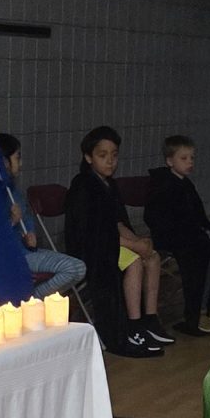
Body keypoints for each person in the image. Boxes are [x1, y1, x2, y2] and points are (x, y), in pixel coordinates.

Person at [66, 127, 165, 358]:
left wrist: (138, 241)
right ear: (88, 157)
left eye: (114, 155)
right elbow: (96, 233)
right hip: (92, 249)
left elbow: (118, 222)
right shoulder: (83, 186)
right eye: (103, 155)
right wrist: (133, 246)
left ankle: (149, 319)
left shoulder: (110, 185)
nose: (110, 161)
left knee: (152, 257)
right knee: (134, 262)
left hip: (111, 243)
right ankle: (132, 324)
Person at [145, 135, 210, 335]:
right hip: (173, 238)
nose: (190, 163)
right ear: (170, 161)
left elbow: (199, 216)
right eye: (184, 158)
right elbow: (157, 218)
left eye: (192, 158)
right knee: (200, 252)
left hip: (190, 236)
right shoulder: (163, 185)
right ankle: (198, 310)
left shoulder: (186, 184)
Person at [0, 132, 86, 298]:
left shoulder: (14, 191)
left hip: (27, 252)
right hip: (13, 257)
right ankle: (33, 301)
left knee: (78, 269)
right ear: (4, 162)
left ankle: (32, 300)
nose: (21, 163)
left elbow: (27, 220)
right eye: (17, 157)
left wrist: (31, 236)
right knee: (74, 268)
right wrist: (12, 221)